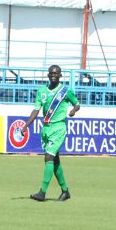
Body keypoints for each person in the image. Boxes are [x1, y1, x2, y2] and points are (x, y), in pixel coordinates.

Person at [23, 64, 80, 202]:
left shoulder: (65, 91)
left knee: (48, 157)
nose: (53, 75)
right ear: (48, 75)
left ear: (60, 76)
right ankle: (65, 191)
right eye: (51, 73)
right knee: (55, 161)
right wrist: (26, 126)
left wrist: (73, 110)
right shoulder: (41, 91)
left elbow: (77, 104)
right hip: (46, 129)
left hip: (59, 128)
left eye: (56, 73)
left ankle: (42, 192)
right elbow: (36, 110)